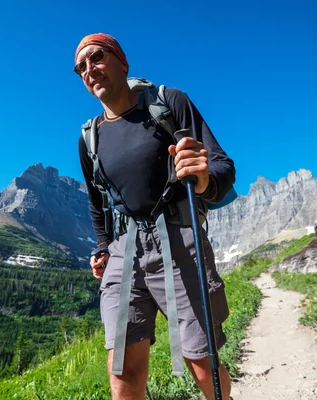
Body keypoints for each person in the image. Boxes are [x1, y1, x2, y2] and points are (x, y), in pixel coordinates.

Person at [76, 33, 236, 400]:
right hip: (124, 250)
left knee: (200, 361)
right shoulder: (89, 138)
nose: (90, 70)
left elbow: (222, 166)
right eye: (81, 67)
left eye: (97, 58)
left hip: (179, 238)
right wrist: (103, 246)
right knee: (122, 371)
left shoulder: (168, 102)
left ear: (122, 62)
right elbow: (97, 203)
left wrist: (204, 178)